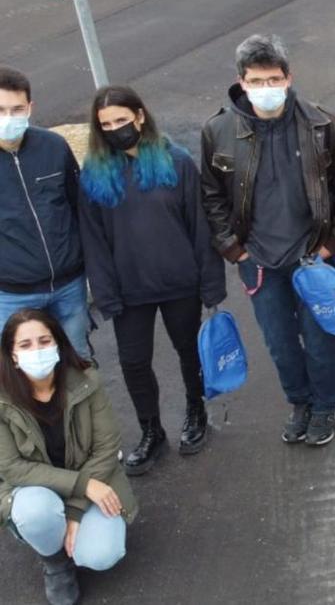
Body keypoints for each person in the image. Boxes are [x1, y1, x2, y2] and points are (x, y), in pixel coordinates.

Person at [200, 34, 335, 447]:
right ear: (241, 82)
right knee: (281, 342)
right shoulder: (218, 131)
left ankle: (324, 405)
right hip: (260, 262)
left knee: (320, 339)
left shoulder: (324, 125)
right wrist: (235, 249)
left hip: (312, 257)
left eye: (273, 79)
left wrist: (331, 245)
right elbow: (211, 196)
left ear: (288, 77)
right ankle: (299, 402)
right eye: (256, 80)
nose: (266, 88)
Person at [77, 86, 226, 476]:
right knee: (133, 363)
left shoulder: (176, 162)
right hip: (129, 291)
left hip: (181, 283)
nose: (114, 130)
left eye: (121, 121)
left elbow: (199, 227)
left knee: (189, 352)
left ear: (140, 116)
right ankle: (150, 431)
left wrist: (211, 285)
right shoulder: (93, 176)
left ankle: (196, 413)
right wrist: (106, 295)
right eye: (105, 125)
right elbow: (93, 241)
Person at [0, 309, 138, 605]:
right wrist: (85, 486)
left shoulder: (88, 380)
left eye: (44, 340)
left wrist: (75, 510)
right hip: (35, 490)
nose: (36, 350)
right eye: (25, 345)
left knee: (103, 555)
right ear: (12, 355)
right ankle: (55, 562)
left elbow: (106, 447)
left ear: (58, 345)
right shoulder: (2, 398)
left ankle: (69, 530)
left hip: (90, 479)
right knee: (35, 512)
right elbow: (12, 468)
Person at [0, 67, 90, 360]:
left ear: (30, 107)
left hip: (69, 286)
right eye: (1, 110)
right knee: (19, 374)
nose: (9, 118)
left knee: (78, 361)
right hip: (13, 295)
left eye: (17, 109)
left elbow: (77, 205)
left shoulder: (53, 146)